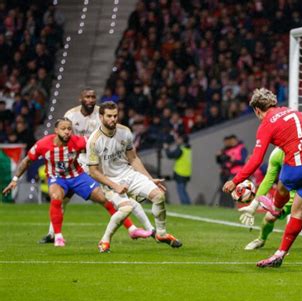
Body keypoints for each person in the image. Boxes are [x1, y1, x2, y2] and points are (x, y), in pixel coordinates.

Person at [223, 88, 302, 268]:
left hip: (297, 165)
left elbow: (256, 159)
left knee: (282, 185)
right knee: (297, 211)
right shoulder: (290, 111)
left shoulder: (266, 125)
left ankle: (276, 208)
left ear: (257, 110)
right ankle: (279, 254)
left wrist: (235, 181)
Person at [39, 88, 151, 243]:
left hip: (101, 162)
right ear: (81, 98)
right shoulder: (71, 115)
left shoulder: (102, 113)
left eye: (93, 97)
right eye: (87, 97)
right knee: (62, 199)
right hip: (78, 162)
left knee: (115, 195)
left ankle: (145, 229)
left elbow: (114, 132)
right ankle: (53, 234)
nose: (90, 100)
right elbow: (66, 137)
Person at [2, 118, 128, 247]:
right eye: (63, 129)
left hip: (77, 176)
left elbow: (97, 144)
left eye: (69, 129)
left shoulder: (78, 141)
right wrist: (15, 180)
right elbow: (27, 161)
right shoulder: (43, 144)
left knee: (103, 198)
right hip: (57, 178)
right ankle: (58, 237)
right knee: (56, 197)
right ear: (56, 130)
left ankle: (131, 228)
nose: (67, 132)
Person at [87, 101, 182, 253]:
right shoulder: (94, 141)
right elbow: (93, 172)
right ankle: (104, 241)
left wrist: (149, 179)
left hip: (129, 174)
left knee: (159, 196)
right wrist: (115, 186)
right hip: (110, 181)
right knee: (126, 208)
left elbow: (133, 158)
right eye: (109, 116)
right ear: (101, 117)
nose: (113, 119)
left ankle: (161, 234)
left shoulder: (125, 131)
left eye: (115, 116)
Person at [215, 134, 247, 207]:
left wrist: (234, 161)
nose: (231, 142)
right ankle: (227, 205)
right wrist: (218, 157)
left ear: (236, 140)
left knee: (238, 190)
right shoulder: (226, 149)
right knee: (227, 190)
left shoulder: (242, 148)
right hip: (229, 172)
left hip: (239, 173)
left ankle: (239, 205)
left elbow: (243, 160)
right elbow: (222, 161)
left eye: (232, 141)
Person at [164, 134, 192, 205]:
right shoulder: (187, 148)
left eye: (179, 139)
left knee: (181, 191)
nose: (177, 140)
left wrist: (166, 148)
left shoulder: (181, 149)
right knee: (183, 190)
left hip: (180, 173)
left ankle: (186, 205)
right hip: (186, 173)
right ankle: (189, 205)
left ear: (182, 140)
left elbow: (170, 155)